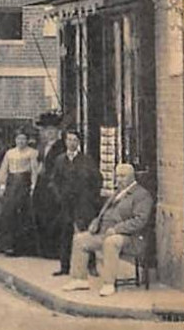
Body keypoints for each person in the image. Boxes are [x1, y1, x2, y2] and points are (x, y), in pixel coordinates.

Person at [63, 163, 153, 297]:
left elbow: (140, 220)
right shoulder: (117, 193)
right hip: (105, 232)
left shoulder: (141, 195)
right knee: (80, 240)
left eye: (123, 176)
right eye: (117, 176)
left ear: (132, 177)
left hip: (131, 237)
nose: (119, 179)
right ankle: (79, 279)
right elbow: (105, 212)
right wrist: (96, 222)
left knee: (111, 242)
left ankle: (108, 283)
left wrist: (117, 229)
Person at [51, 128, 102, 276]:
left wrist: (91, 197)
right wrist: (59, 195)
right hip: (66, 203)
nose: (71, 143)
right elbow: (54, 180)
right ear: (65, 141)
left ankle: (91, 266)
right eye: (69, 140)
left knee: (86, 233)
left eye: (74, 140)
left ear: (79, 143)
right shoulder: (60, 160)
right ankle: (64, 266)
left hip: (83, 202)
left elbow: (97, 179)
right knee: (65, 234)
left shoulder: (86, 160)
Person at [0, 129, 39, 256]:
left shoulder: (32, 153)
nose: (21, 141)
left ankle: (22, 247)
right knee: (8, 213)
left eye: (23, 139)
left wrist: (33, 186)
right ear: (15, 140)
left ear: (27, 140)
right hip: (11, 184)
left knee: (22, 213)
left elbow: (34, 170)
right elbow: (4, 169)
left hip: (24, 184)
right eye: (18, 139)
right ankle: (7, 245)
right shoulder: (10, 153)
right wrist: (2, 185)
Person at [32, 113, 66, 260]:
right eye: (47, 131)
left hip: (53, 185)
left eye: (52, 130)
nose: (49, 133)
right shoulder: (43, 146)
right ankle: (44, 249)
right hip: (42, 185)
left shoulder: (61, 146)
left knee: (53, 216)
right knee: (41, 215)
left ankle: (54, 250)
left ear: (57, 132)